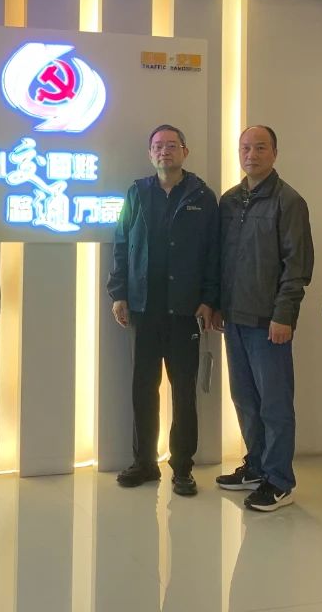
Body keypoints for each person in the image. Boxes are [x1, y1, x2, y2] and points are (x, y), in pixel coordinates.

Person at [107, 124, 218, 496]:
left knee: (184, 390)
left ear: (185, 151)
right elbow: (121, 243)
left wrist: (209, 298)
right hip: (144, 308)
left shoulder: (202, 196)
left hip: (185, 310)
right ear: (150, 153)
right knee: (143, 387)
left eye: (172, 145)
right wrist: (119, 293)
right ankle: (144, 462)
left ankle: (182, 467)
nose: (164, 151)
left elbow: (213, 253)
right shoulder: (137, 193)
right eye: (158, 146)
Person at [215, 125, 313, 511]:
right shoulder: (229, 200)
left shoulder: (289, 201)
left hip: (269, 322)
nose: (251, 155)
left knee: (275, 404)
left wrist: (284, 314)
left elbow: (297, 265)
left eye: (260, 148)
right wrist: (217, 304)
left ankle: (279, 480)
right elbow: (221, 259)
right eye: (245, 148)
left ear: (274, 153)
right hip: (234, 318)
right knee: (244, 399)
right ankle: (255, 466)